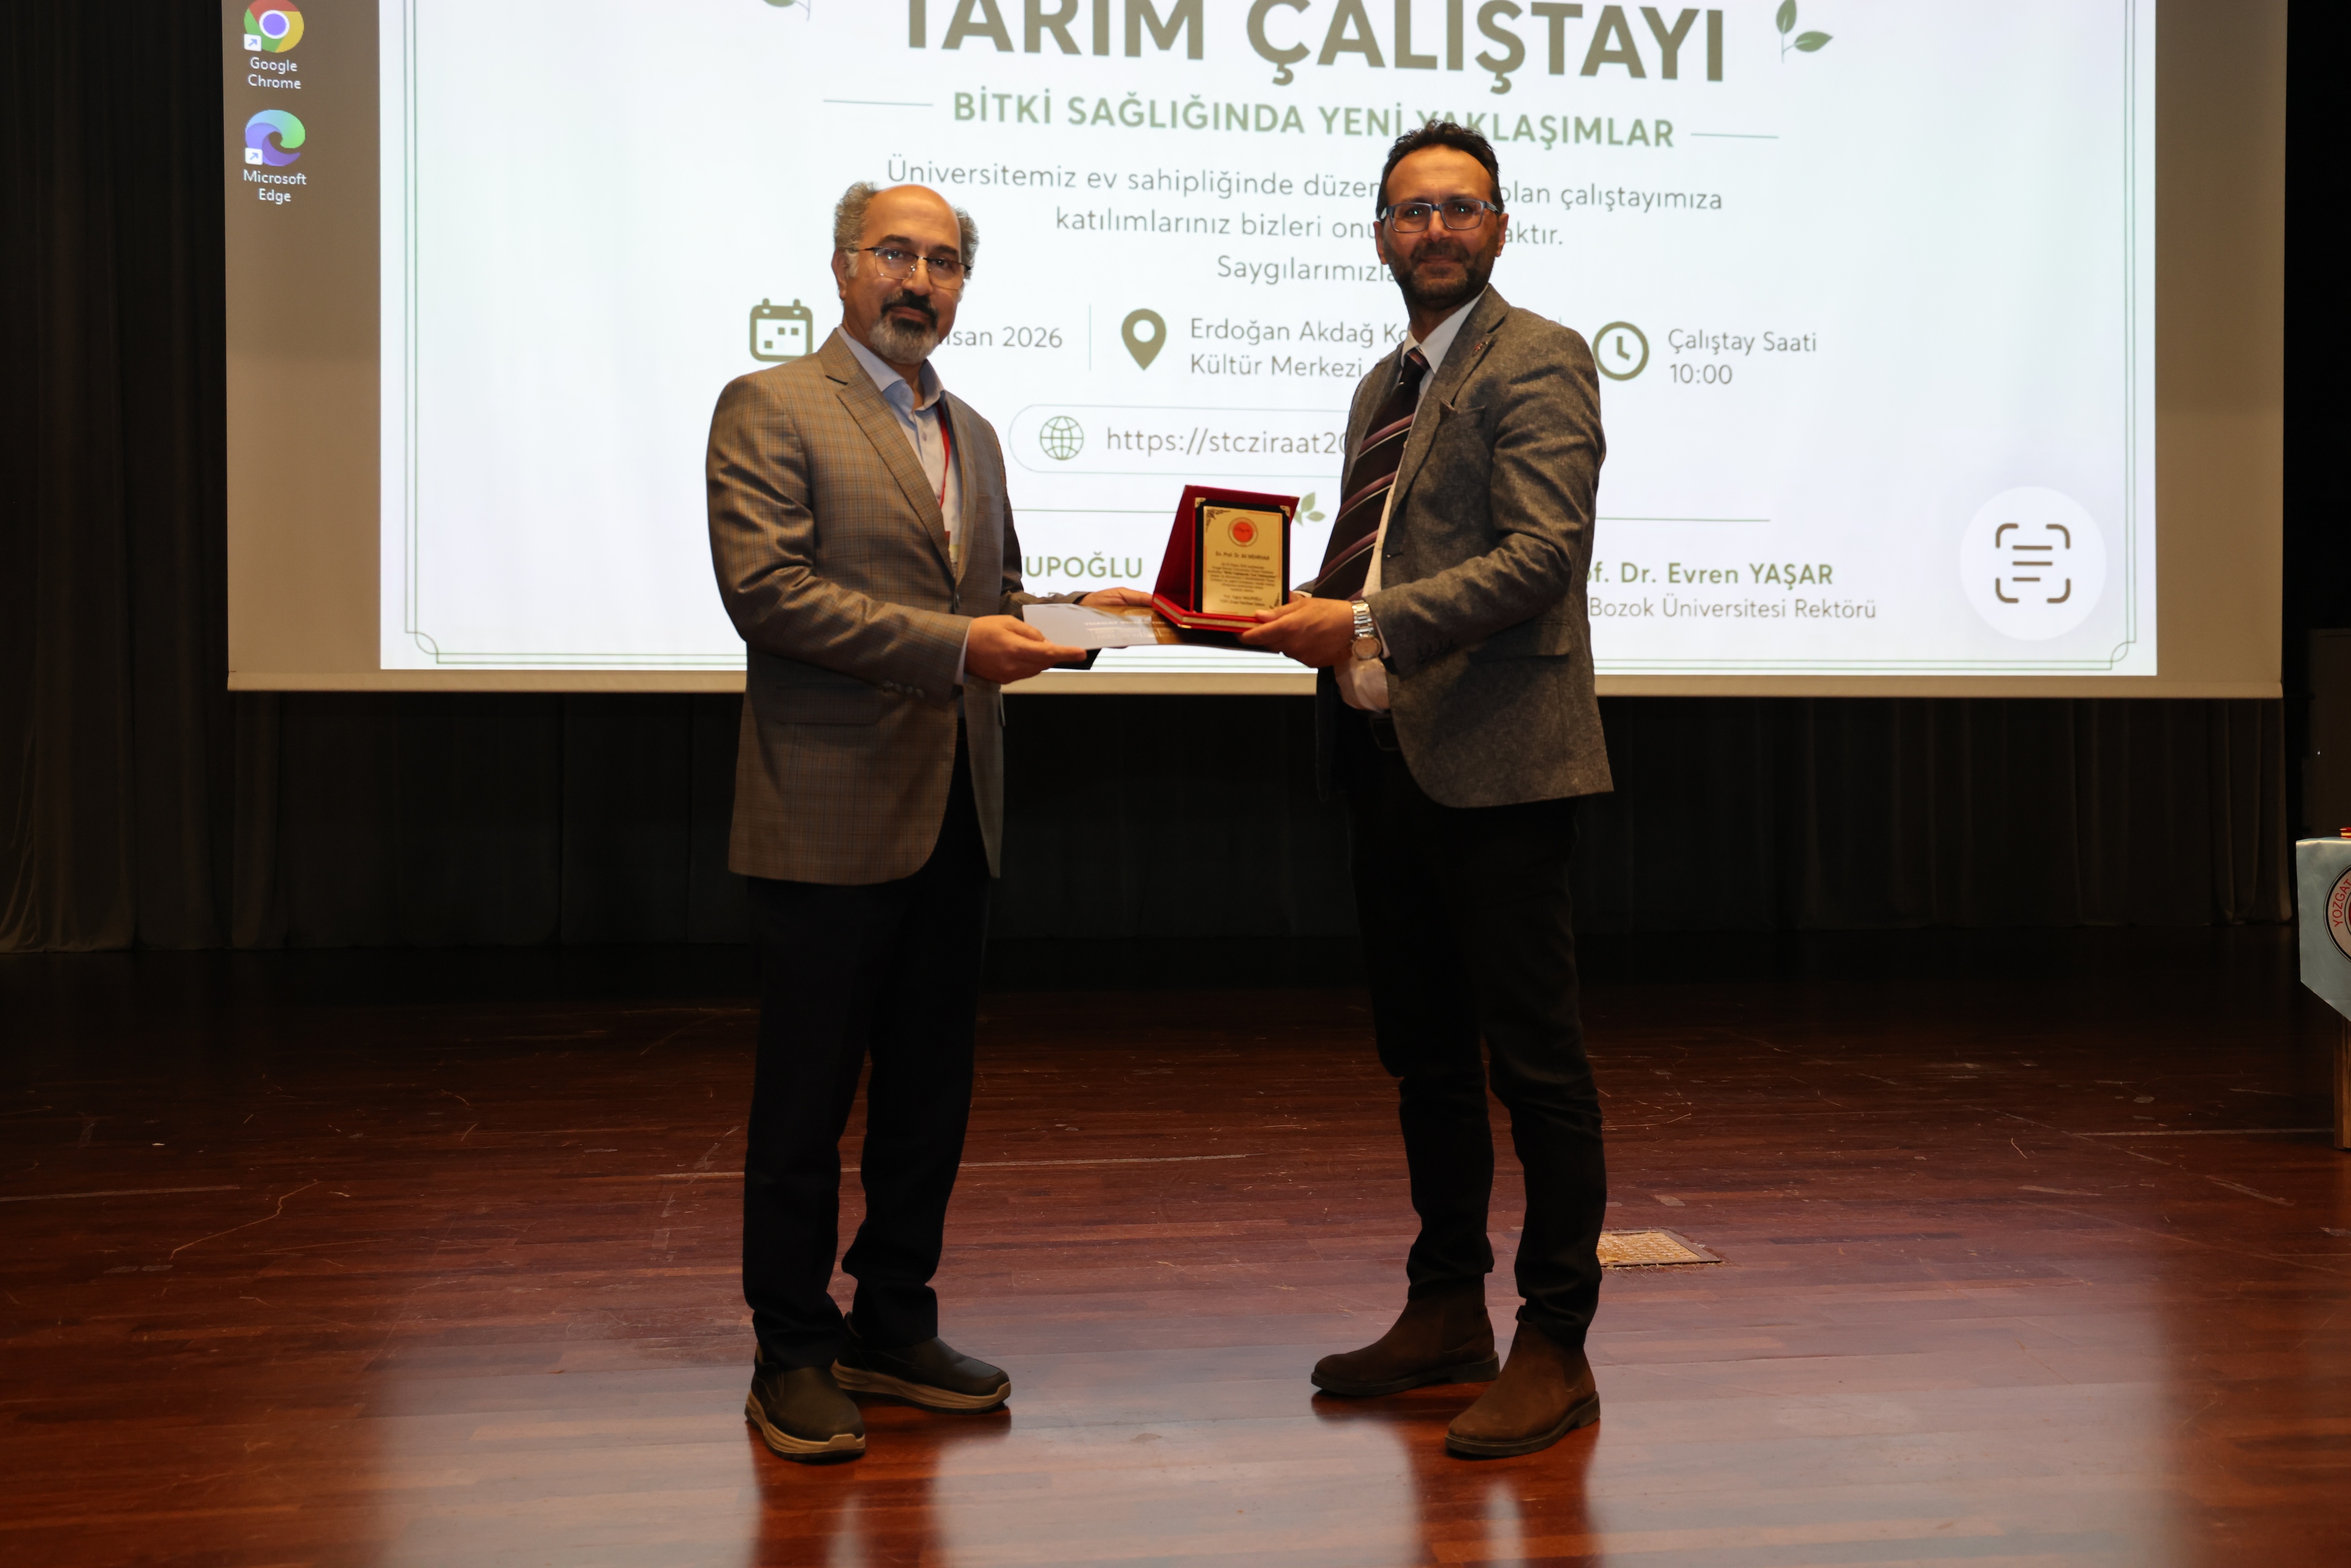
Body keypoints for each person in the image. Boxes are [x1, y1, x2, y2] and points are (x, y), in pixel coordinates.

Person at [705, 181, 1143, 1462]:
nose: (919, 279)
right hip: (825, 815)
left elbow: (992, 604)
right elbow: (768, 592)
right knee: (803, 1108)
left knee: (926, 1100)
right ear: (843, 268)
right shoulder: (771, 405)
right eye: (895, 253)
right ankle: (791, 1348)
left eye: (944, 262)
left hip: (958, 812)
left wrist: (1098, 620)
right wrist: (962, 645)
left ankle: (892, 1322)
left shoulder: (978, 434)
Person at [1241, 122, 1614, 1460]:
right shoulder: (1382, 384)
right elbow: (1377, 568)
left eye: (1460, 208)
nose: (1436, 230)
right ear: (1379, 235)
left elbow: (1538, 555)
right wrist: (1241, 610)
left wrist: (1353, 623)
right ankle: (1447, 1308)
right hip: (1384, 759)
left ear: (1499, 226)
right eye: (1412, 211)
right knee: (1425, 1061)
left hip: (1499, 764)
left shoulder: (1539, 357)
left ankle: (1554, 1341)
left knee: (1535, 1066)